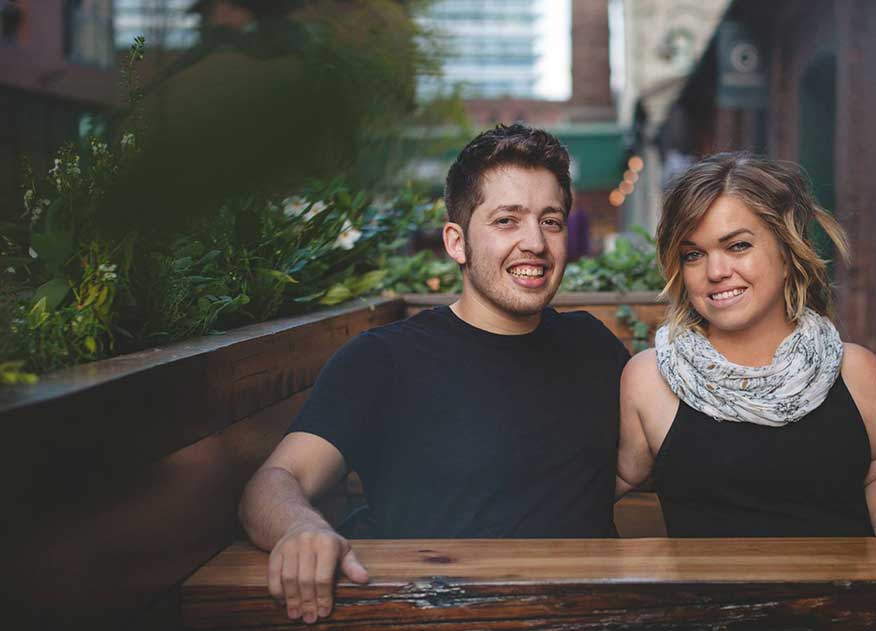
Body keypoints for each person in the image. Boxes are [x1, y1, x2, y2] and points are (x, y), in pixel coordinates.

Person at [239, 124, 630, 624]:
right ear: (456, 241)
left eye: (550, 221)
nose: (535, 242)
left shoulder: (592, 345)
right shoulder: (384, 360)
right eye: (506, 221)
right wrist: (298, 528)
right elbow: (273, 480)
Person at [616, 151, 876, 537]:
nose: (715, 272)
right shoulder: (649, 380)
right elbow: (597, 483)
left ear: (786, 249)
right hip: (706, 597)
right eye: (693, 255)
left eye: (738, 246)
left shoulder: (859, 374)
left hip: (840, 595)